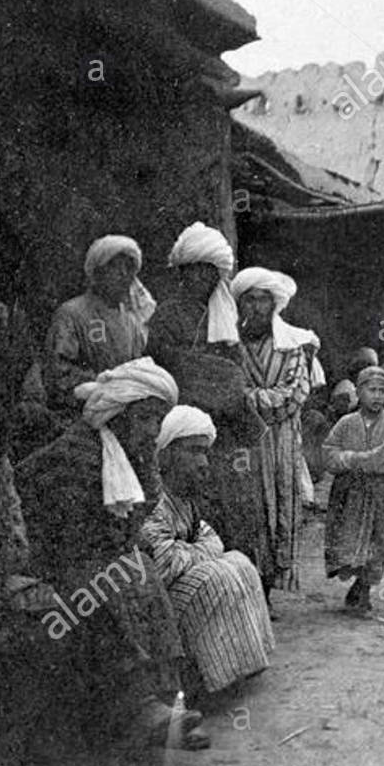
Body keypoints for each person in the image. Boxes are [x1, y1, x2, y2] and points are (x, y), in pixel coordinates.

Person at [14, 357, 208, 750]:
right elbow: (65, 536)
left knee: (141, 573)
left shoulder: (130, 458)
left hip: (95, 553)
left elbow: (128, 526)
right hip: (53, 560)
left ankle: (166, 701)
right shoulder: (78, 454)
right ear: (120, 414)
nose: (153, 432)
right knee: (114, 586)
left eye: (158, 422)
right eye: (148, 420)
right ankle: (137, 709)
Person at [144, 223, 268, 608]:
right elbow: (170, 366)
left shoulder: (226, 318)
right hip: (189, 428)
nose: (206, 279)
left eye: (212, 273)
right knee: (199, 510)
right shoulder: (166, 318)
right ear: (184, 272)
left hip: (228, 431)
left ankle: (245, 591)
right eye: (198, 271)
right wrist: (217, 375)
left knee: (240, 511)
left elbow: (236, 372)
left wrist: (228, 382)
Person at [141, 405, 274, 694]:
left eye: (205, 452)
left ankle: (245, 664)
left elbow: (211, 538)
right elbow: (162, 563)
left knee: (238, 562)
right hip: (155, 608)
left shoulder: (185, 500)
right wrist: (198, 553)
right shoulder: (154, 498)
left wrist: (189, 550)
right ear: (165, 455)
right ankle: (209, 679)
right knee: (216, 575)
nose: (204, 462)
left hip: (176, 584)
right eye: (193, 451)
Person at [231, 267, 317, 594]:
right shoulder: (232, 347)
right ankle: (252, 587)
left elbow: (294, 394)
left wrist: (249, 398)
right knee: (249, 510)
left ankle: (270, 584)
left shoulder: (291, 346)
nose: (255, 307)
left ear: (274, 304)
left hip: (281, 441)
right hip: (247, 443)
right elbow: (229, 391)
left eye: (262, 300)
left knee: (282, 508)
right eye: (249, 300)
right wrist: (255, 399)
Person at [322, 367, 384, 615]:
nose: (377, 396)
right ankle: (356, 585)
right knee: (349, 539)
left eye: (382, 391)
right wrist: (355, 458)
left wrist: (355, 460)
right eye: (372, 390)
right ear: (359, 392)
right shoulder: (346, 424)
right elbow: (329, 453)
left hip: (380, 493)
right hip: (350, 494)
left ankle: (364, 590)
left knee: (376, 541)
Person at [44, 235, 156, 416]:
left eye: (128, 267)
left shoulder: (131, 322)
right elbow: (58, 374)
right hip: (79, 415)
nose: (123, 274)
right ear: (97, 272)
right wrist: (103, 386)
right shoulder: (72, 314)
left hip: (125, 415)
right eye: (114, 266)